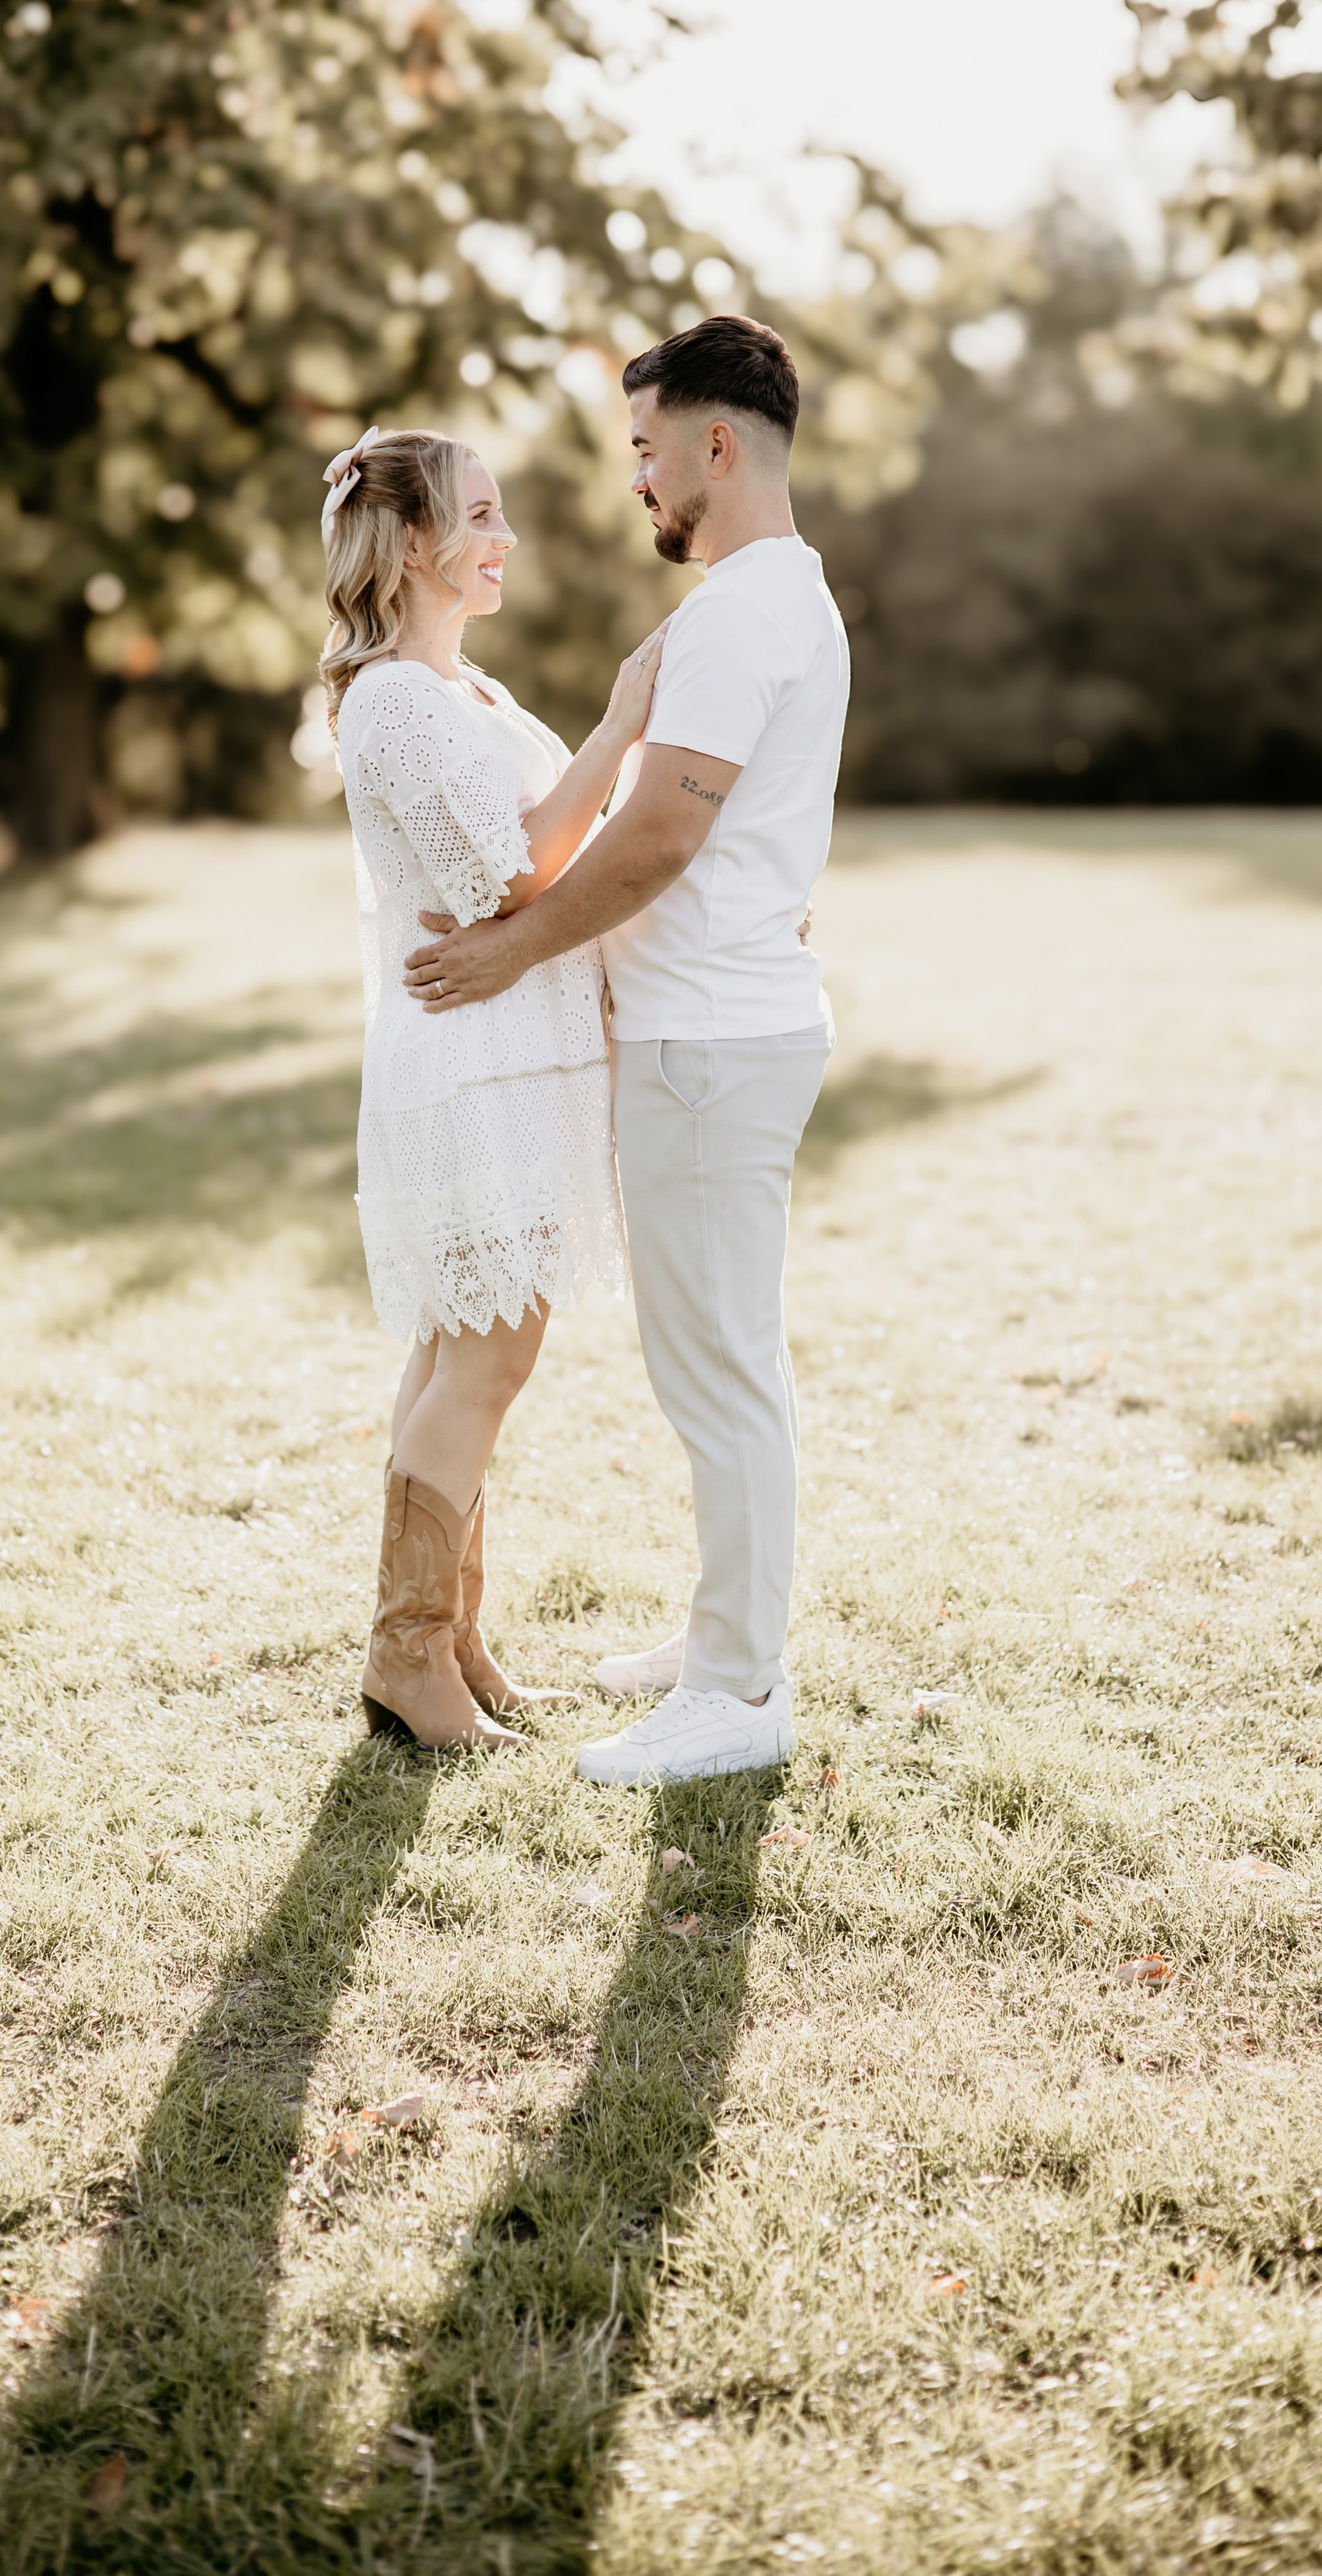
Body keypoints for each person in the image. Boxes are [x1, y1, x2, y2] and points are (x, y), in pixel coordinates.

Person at [402, 316, 848, 1786]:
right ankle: (728, 1630)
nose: (639, 484)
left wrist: (506, 950)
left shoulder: (737, 614)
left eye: (648, 452)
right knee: (725, 1362)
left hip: (708, 1048)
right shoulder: (787, 598)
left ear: (718, 446)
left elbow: (661, 834)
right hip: (723, 1027)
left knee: (717, 1372)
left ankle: (737, 1692)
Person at [323, 425, 667, 1752]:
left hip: (519, 1057)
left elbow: (554, 842)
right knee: (487, 1351)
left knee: (462, 1350)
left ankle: (448, 1645)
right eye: (479, 515)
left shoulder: (467, 692)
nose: (503, 537)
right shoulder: (394, 700)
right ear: (412, 544)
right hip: (469, 1065)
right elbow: (507, 878)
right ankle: (408, 1661)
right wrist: (623, 718)